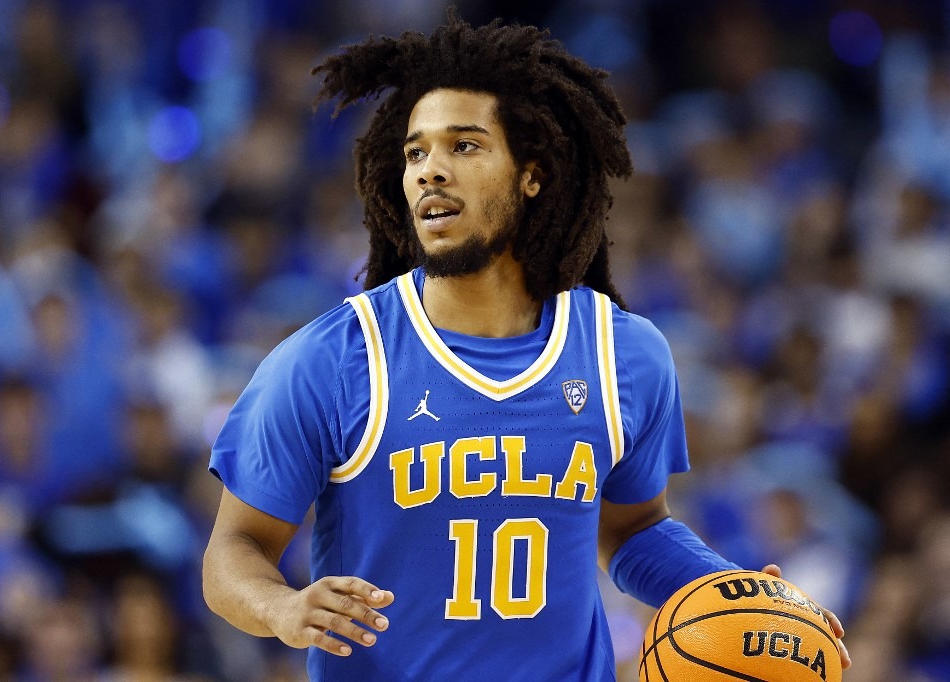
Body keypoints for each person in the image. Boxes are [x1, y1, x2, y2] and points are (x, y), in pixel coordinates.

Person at [202, 13, 851, 681]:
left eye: (463, 146)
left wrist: (743, 599)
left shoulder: (623, 354)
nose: (430, 171)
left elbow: (631, 530)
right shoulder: (331, 359)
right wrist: (280, 607)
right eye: (415, 152)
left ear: (532, 173)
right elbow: (234, 550)